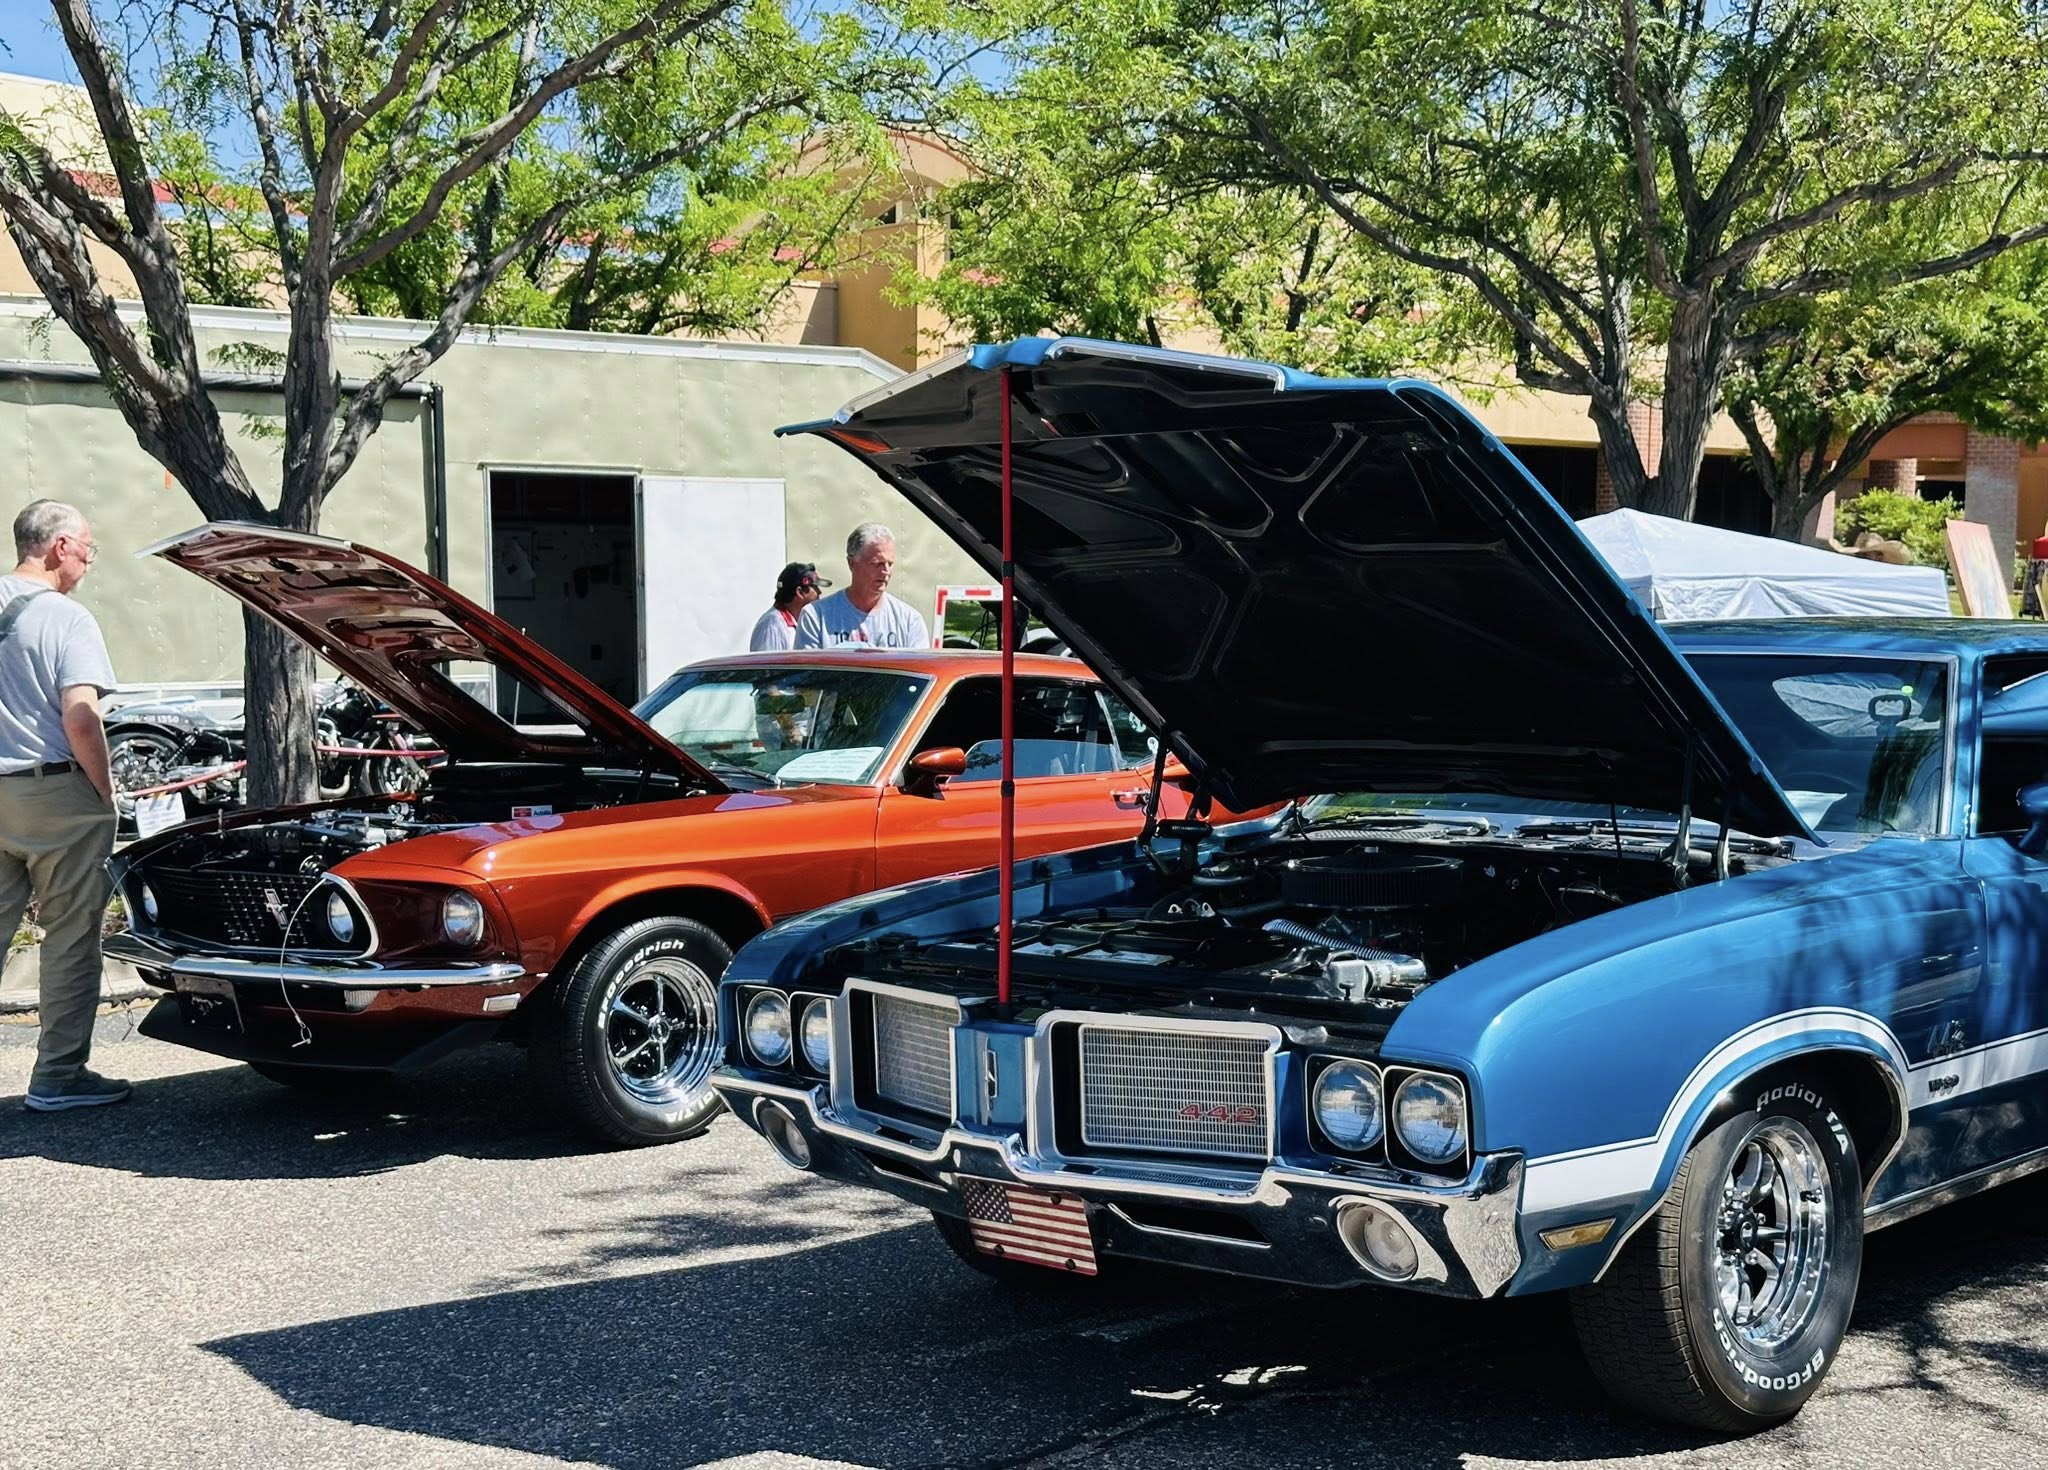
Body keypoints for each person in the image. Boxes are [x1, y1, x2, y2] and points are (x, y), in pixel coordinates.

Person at [1, 501, 126, 1111]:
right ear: (60, 547)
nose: (88, 563)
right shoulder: (66, 617)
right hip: (54, 793)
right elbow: (80, 716)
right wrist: (103, 792)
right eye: (88, 550)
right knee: (71, 935)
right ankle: (58, 1077)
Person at [795, 523, 931, 649]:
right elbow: (806, 667)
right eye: (877, 564)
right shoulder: (816, 617)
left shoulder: (909, 621)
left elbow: (920, 665)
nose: (886, 571)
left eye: (890, 564)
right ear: (852, 563)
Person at [748, 561, 831, 651]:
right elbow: (766, 660)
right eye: (815, 587)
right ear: (800, 592)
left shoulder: (790, 623)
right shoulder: (772, 626)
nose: (819, 592)